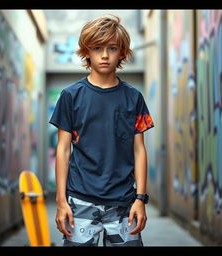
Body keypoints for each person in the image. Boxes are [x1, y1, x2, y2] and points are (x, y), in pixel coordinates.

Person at [49, 14, 154, 247]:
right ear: (86, 51)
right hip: (80, 200)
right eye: (97, 48)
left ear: (123, 53)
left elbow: (139, 150)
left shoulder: (133, 98)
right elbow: (63, 150)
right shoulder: (71, 96)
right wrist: (61, 201)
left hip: (124, 202)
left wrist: (140, 199)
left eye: (112, 48)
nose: (105, 55)